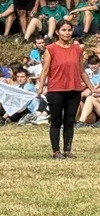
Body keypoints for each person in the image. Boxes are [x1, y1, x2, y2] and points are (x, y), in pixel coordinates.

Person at [34, 21, 88, 160]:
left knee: (69, 121)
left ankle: (67, 150)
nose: (67, 33)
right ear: (57, 32)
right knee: (56, 121)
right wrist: (41, 87)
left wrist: (92, 88)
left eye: (69, 30)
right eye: (63, 30)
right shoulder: (50, 49)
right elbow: (45, 70)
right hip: (56, 90)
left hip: (74, 89)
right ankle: (56, 151)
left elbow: (82, 71)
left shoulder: (77, 49)